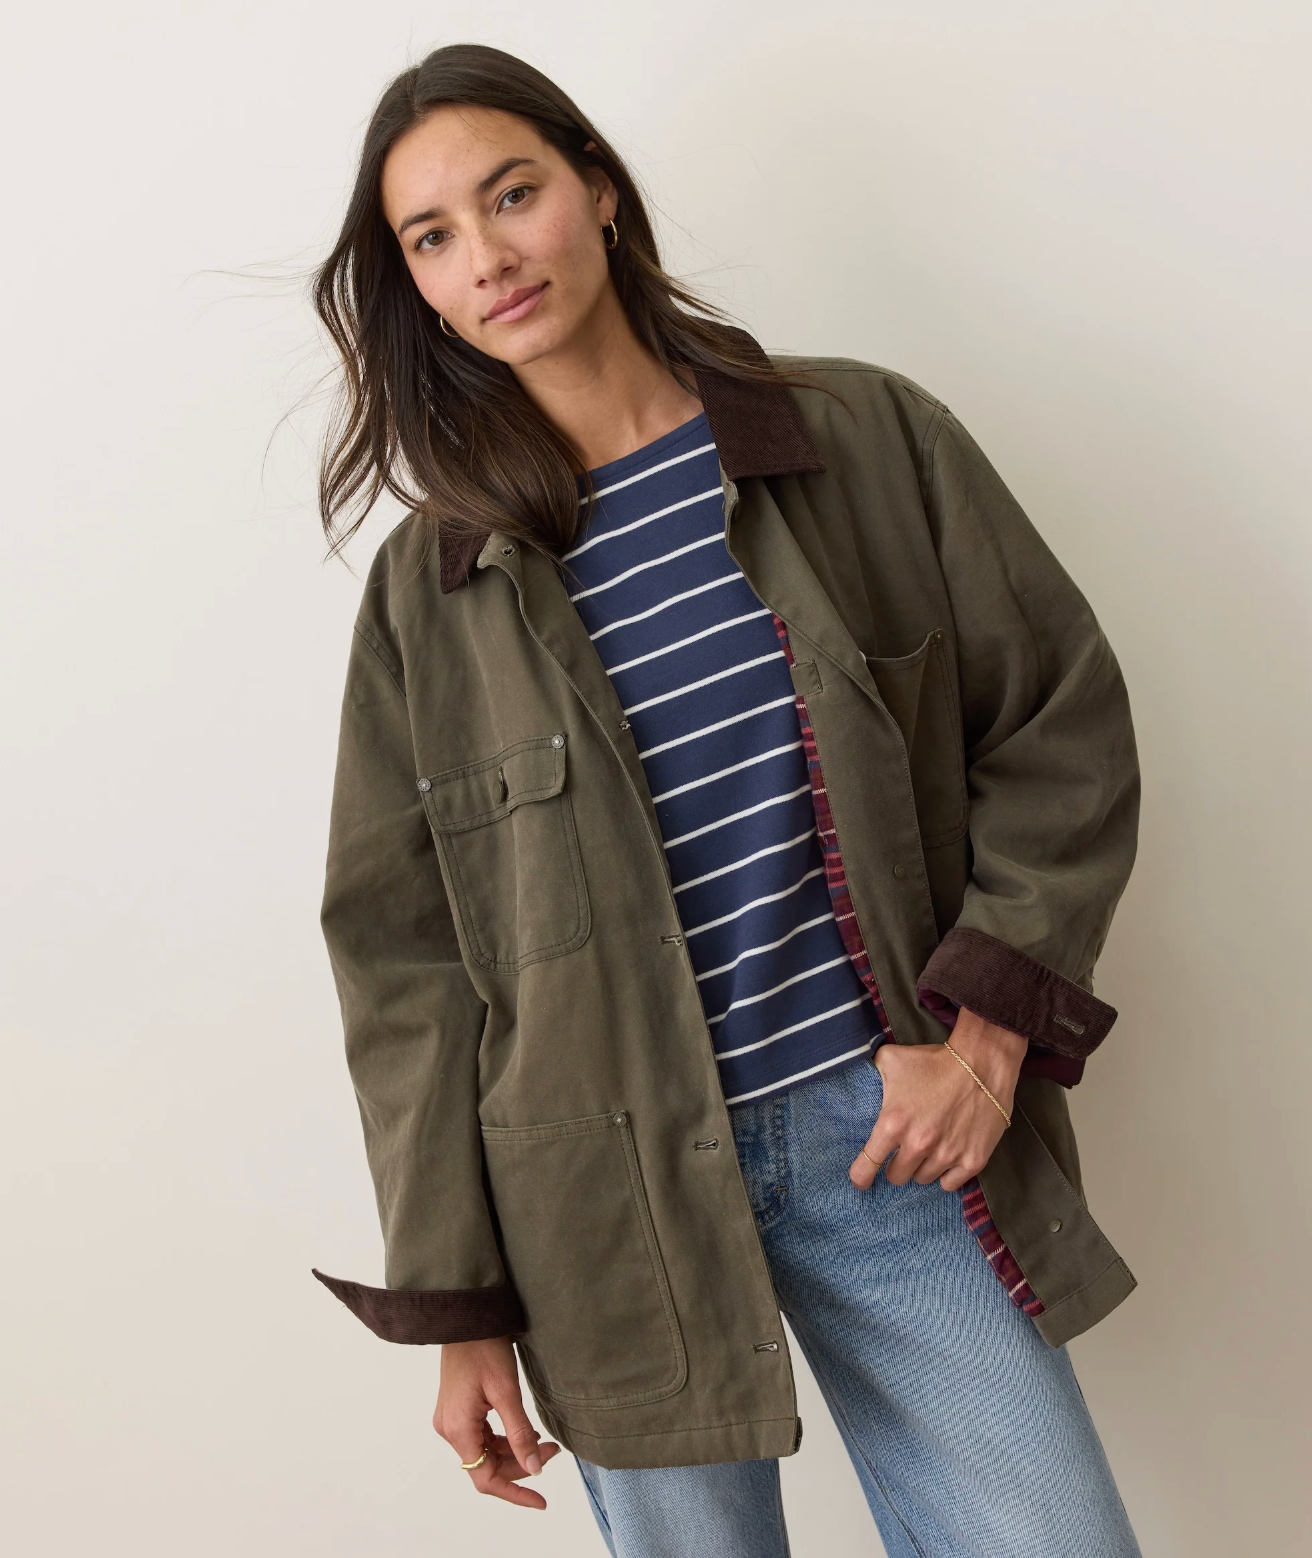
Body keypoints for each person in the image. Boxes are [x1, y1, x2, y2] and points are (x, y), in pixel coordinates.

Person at [308, 41, 1143, 1558]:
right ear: (414, 285)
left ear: (599, 192)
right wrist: (460, 1305)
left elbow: (1055, 727)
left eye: (512, 194)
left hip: (890, 1138)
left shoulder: (863, 443)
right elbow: (406, 974)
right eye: (431, 236)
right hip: (600, 1200)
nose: (486, 256)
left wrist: (985, 1039)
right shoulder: (433, 595)